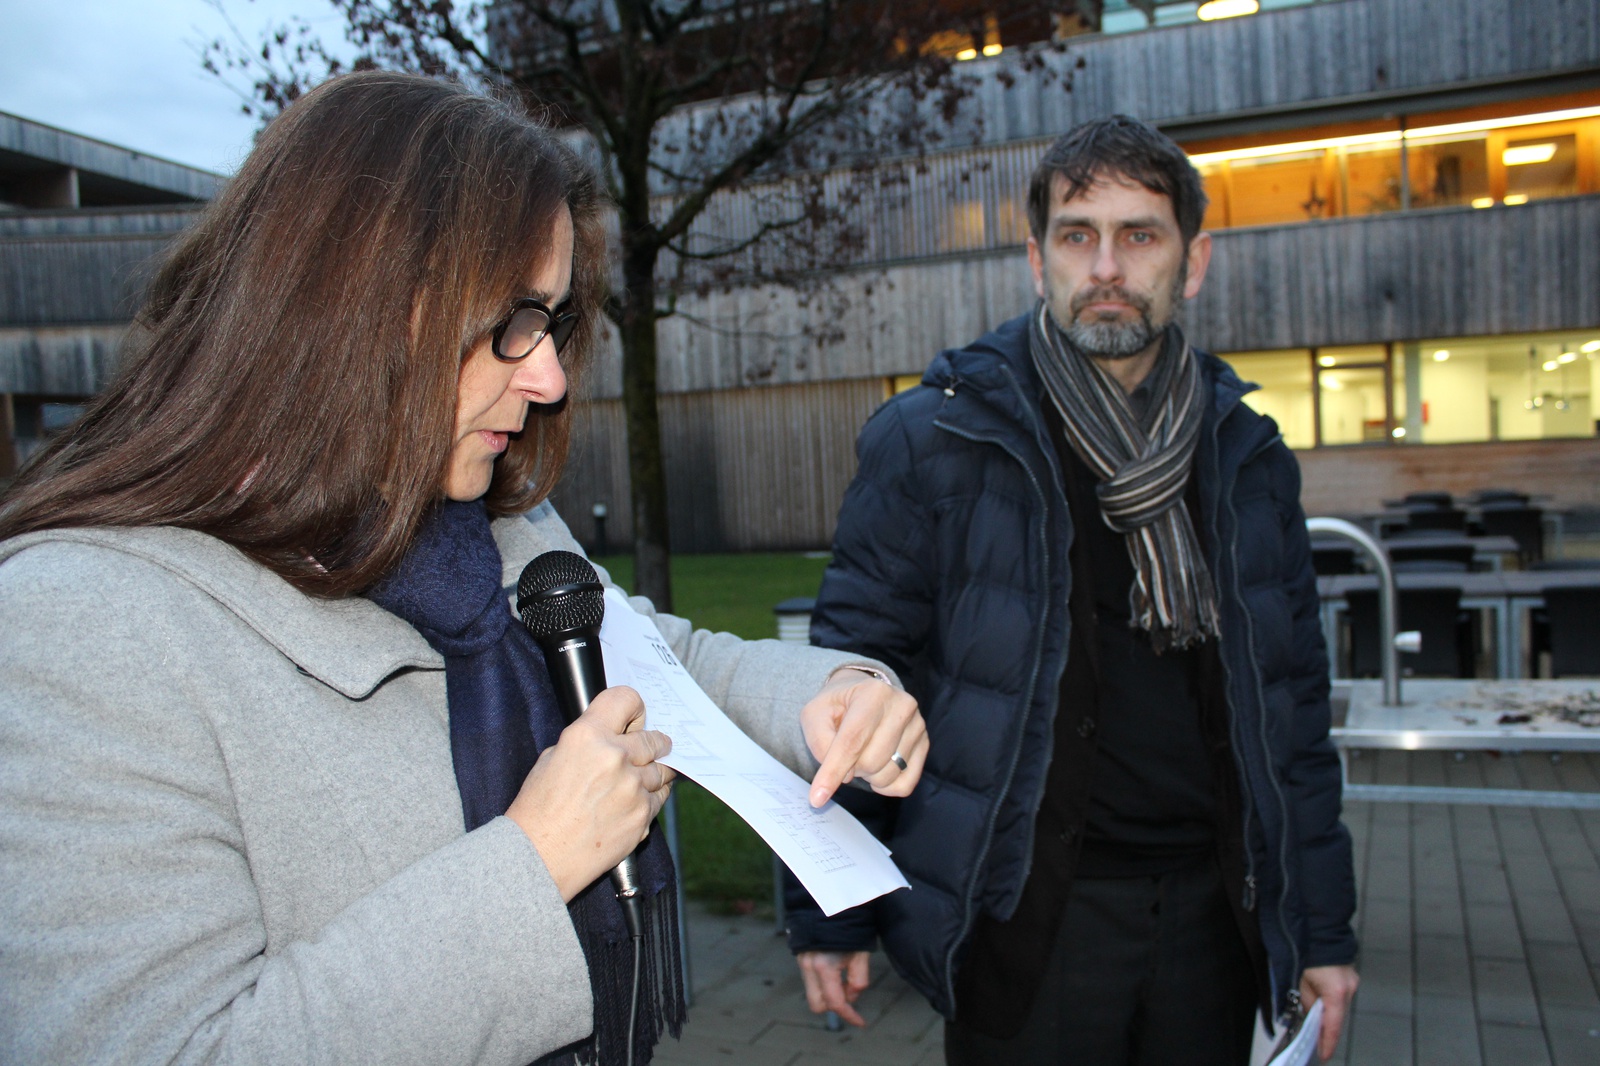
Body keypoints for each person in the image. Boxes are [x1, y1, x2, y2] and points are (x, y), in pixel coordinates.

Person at [0, 71, 927, 1066]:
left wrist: (831, 693)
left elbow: (657, 660)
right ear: (352, 303)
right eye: (513, 320)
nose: (550, 377)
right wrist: (536, 860)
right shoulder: (80, 626)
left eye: (553, 321)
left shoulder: (495, 523)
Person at [784, 115, 1359, 1064]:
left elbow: (1293, 716)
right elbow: (851, 679)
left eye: (1140, 235)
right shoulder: (936, 441)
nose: (1107, 267)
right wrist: (829, 908)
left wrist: (1322, 932)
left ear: (1194, 261)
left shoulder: (1247, 456)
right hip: (1023, 920)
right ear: (1036, 259)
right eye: (1078, 235)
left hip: (1214, 923)